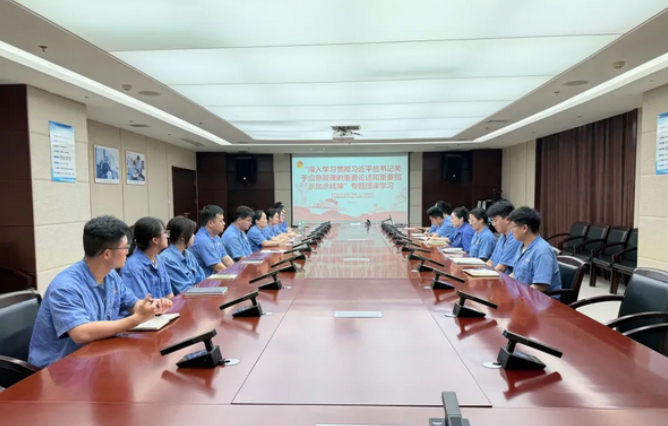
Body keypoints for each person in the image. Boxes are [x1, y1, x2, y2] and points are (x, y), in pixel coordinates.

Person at [28, 216, 171, 368]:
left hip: (95, 357)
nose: (128, 252)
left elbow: (132, 304)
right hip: (58, 368)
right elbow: (81, 333)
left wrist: (151, 306)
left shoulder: (110, 275)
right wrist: (135, 319)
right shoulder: (65, 286)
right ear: (107, 254)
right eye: (125, 247)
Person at [507, 207, 562, 295]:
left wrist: (518, 295)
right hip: (522, 293)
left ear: (524, 228)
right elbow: (516, 274)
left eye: (513, 227)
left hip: (539, 299)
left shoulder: (542, 251)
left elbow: (540, 286)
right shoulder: (522, 246)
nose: (511, 231)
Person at [121, 217, 174, 301]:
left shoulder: (158, 259)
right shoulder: (132, 267)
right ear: (155, 240)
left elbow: (169, 295)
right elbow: (143, 303)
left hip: (162, 308)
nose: (167, 236)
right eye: (164, 233)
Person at [158, 216, 206, 295]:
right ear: (183, 236)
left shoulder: (189, 254)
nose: (194, 235)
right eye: (192, 233)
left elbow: (202, 279)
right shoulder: (167, 259)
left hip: (198, 295)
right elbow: (185, 289)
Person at [190, 205, 234, 276]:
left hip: (216, 277)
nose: (224, 223)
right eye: (221, 221)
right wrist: (233, 276)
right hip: (205, 280)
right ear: (210, 223)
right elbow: (217, 267)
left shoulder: (216, 237)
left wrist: (237, 271)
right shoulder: (203, 240)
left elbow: (226, 258)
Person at [486, 201, 522, 273]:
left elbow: (501, 268)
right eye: (492, 221)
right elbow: (490, 262)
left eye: (495, 220)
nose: (493, 224)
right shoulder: (502, 236)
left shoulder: (515, 238)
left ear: (507, 219)